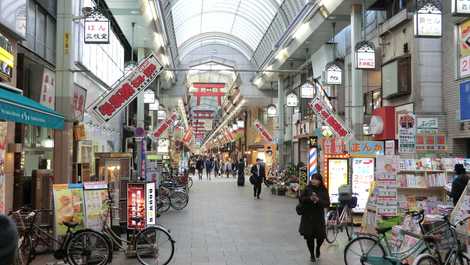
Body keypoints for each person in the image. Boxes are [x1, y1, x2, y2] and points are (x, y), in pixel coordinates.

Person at [298, 174, 330, 262]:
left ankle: (318, 248)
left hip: (318, 217)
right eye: (313, 179)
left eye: (316, 179)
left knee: (321, 237)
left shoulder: (323, 190)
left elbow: (327, 203)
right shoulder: (307, 188)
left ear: (320, 181)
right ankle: (312, 254)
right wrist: (310, 198)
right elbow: (301, 199)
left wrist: (318, 200)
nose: (314, 181)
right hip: (308, 216)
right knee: (309, 237)